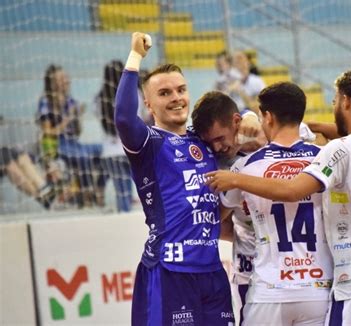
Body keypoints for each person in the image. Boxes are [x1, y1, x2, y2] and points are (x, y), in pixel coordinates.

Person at [206, 66, 351, 325]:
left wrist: (235, 178)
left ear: (345, 101)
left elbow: (291, 191)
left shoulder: (334, 152)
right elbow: (348, 135)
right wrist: (302, 127)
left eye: (334, 101)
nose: (332, 106)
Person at [114, 32, 234, 325]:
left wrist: (250, 117)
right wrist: (135, 57)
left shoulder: (204, 139)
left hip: (213, 271)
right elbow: (123, 118)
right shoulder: (148, 142)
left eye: (181, 90)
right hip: (169, 270)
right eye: (165, 93)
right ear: (149, 103)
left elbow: (235, 119)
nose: (177, 98)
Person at [191, 90, 321, 325]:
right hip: (250, 272)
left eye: (220, 138)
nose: (217, 147)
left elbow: (313, 136)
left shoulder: (245, 165)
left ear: (237, 122)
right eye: (210, 143)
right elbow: (212, 222)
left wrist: (255, 122)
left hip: (290, 275)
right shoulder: (219, 163)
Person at [37, 64, 104, 208]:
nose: (67, 81)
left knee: (105, 152)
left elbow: (77, 133)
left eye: (66, 77)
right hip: (58, 145)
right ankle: (87, 199)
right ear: (53, 83)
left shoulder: (70, 101)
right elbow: (48, 132)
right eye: (62, 78)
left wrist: (78, 118)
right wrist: (68, 117)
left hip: (74, 143)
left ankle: (98, 189)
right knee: (83, 157)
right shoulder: (46, 102)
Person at [96, 60, 133, 213]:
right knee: (128, 189)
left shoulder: (98, 99)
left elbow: (99, 116)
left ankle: (123, 215)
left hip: (110, 151)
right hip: (129, 147)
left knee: (121, 190)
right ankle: (127, 215)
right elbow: (140, 117)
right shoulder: (132, 94)